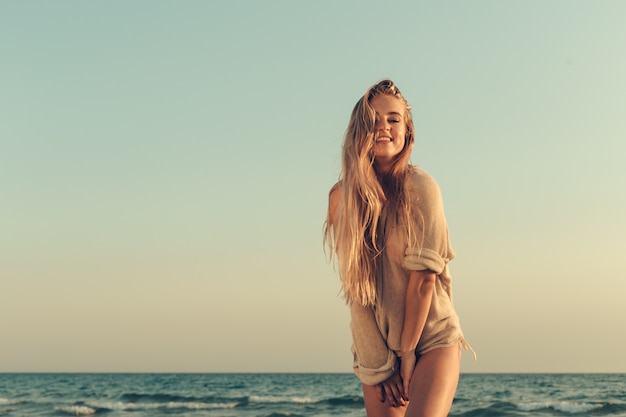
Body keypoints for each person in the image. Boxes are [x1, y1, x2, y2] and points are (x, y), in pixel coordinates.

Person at [325, 79, 474, 417]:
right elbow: (356, 292)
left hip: (432, 338)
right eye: (373, 120)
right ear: (358, 131)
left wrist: (406, 353)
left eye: (393, 119)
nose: (383, 127)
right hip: (378, 345)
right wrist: (379, 363)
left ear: (408, 130)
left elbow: (423, 282)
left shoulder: (421, 188)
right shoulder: (341, 199)